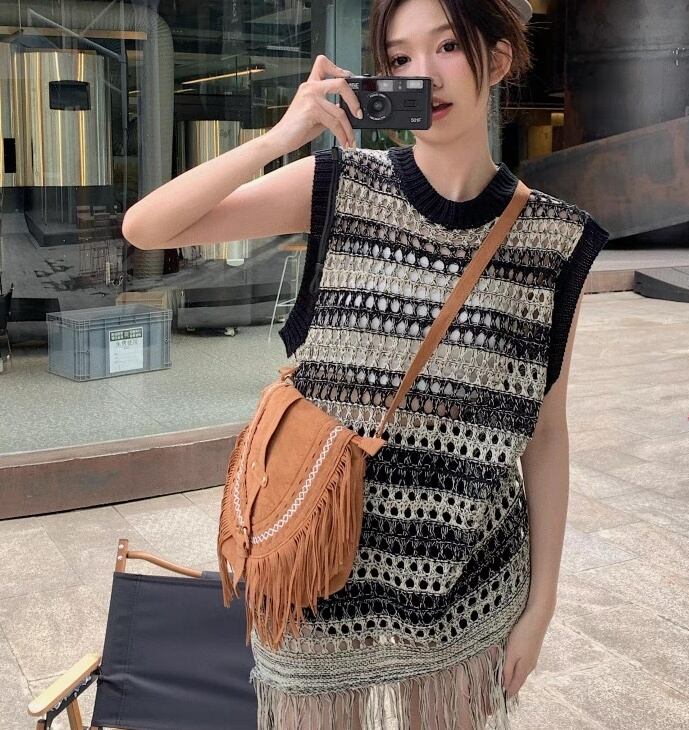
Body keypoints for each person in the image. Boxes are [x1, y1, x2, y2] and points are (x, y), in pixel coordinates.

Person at [123, 0, 610, 726]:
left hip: (466, 594)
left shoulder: (552, 241)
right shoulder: (338, 186)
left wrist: (541, 608)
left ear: (500, 58)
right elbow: (147, 227)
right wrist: (280, 138)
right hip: (320, 582)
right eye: (401, 58)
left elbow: (545, 435)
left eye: (448, 46)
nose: (425, 75)